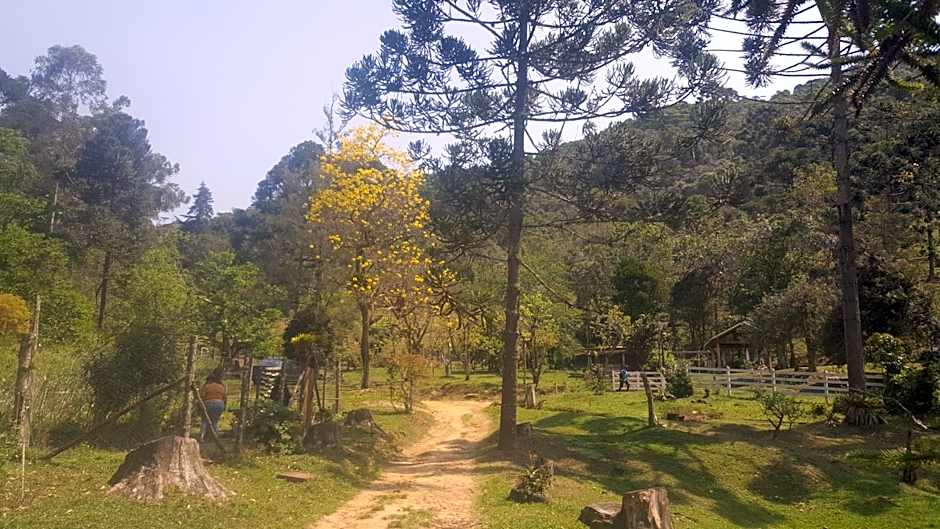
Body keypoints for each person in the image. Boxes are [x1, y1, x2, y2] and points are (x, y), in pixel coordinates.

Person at [199, 372, 226, 441]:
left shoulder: (206, 387)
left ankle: (202, 437)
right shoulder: (221, 386)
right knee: (215, 421)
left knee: (204, 420)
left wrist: (201, 406)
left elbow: (202, 396)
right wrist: (224, 407)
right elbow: (225, 398)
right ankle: (215, 437)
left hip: (208, 403)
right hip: (220, 404)